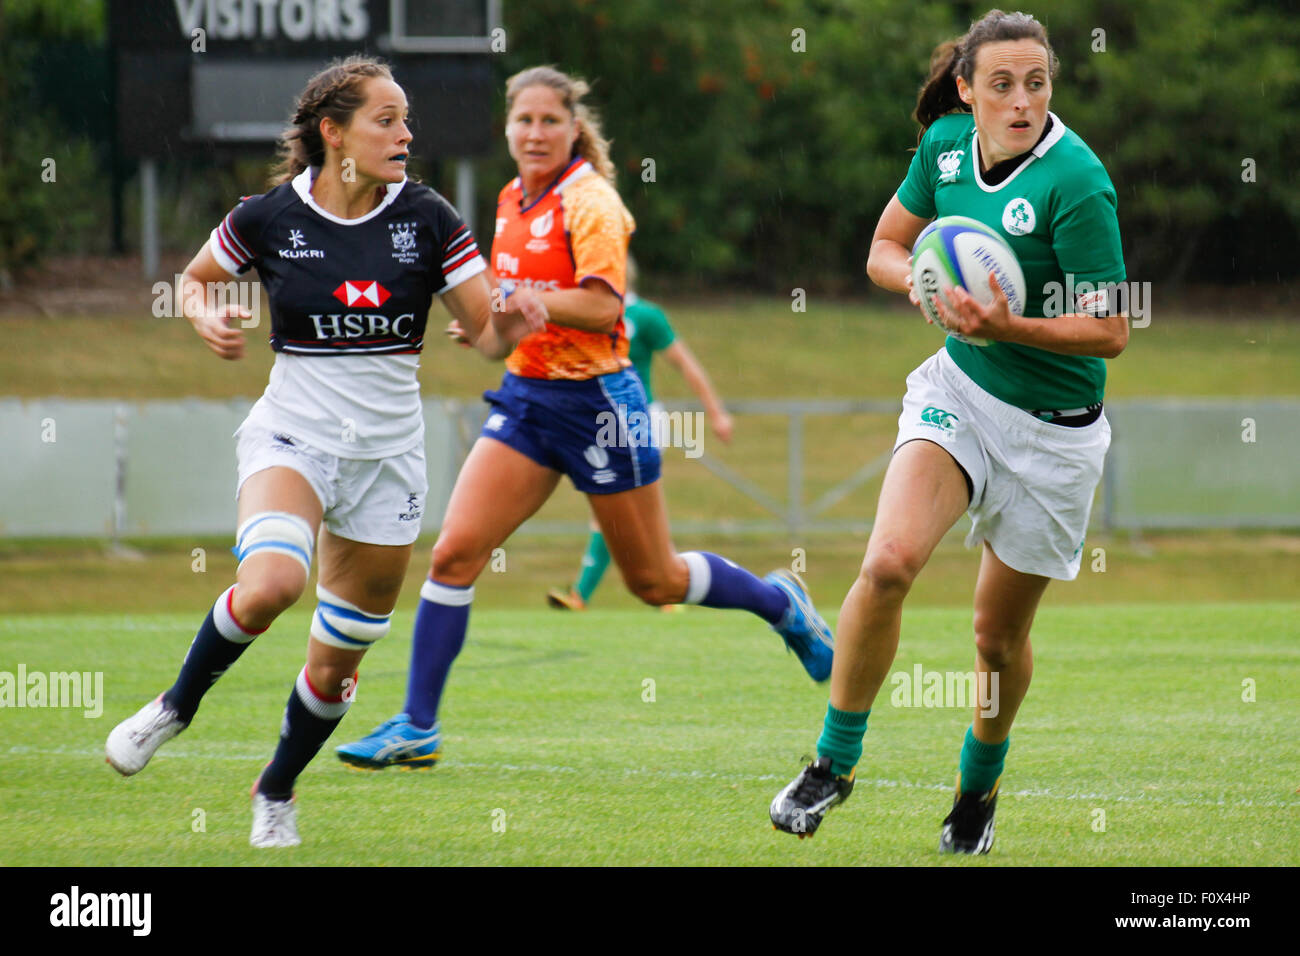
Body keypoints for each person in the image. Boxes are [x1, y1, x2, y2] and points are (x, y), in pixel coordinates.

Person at [335, 65, 833, 771]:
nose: (535, 133)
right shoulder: (510, 201)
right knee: (452, 554)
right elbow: (498, 337)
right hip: (529, 399)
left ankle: (779, 602)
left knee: (653, 581)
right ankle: (418, 725)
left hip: (601, 405)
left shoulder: (590, 199)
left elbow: (604, 306)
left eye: (550, 121)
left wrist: (519, 293)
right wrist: (486, 325)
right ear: (506, 128)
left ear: (573, 129)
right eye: (524, 121)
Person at [103, 56, 544, 848]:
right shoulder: (270, 217)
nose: (406, 133)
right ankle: (173, 706)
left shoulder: (432, 218)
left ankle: (275, 788)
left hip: (389, 464)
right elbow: (195, 280)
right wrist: (203, 313)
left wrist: (521, 318)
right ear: (332, 133)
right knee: (273, 581)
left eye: (407, 118)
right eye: (386, 119)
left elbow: (486, 337)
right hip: (293, 438)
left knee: (337, 669)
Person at [769, 9, 1127, 853]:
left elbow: (1109, 332)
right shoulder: (942, 149)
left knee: (996, 641)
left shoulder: (1076, 181)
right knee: (888, 564)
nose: (1020, 101)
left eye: (1035, 83)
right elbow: (885, 248)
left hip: (1054, 435)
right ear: (966, 90)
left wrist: (1011, 327)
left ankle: (978, 787)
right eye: (1000, 84)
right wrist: (925, 286)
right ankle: (832, 763)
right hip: (959, 393)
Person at [546, 255, 734, 611]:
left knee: (621, 509)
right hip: (602, 420)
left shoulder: (645, 316)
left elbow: (684, 363)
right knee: (621, 510)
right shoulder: (587, 314)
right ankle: (662, 590)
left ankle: (587, 595)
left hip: (639, 419)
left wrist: (716, 412)